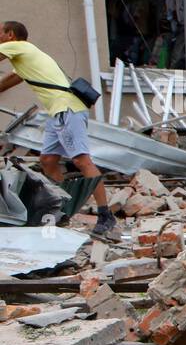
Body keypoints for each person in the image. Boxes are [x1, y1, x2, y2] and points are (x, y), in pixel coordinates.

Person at [0, 21, 116, 236]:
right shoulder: (25, 58)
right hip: (58, 112)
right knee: (48, 161)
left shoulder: (19, 46)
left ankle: (105, 214)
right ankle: (64, 209)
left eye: (0, 33)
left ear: (10, 34)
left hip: (67, 109)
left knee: (82, 160)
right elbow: (9, 82)